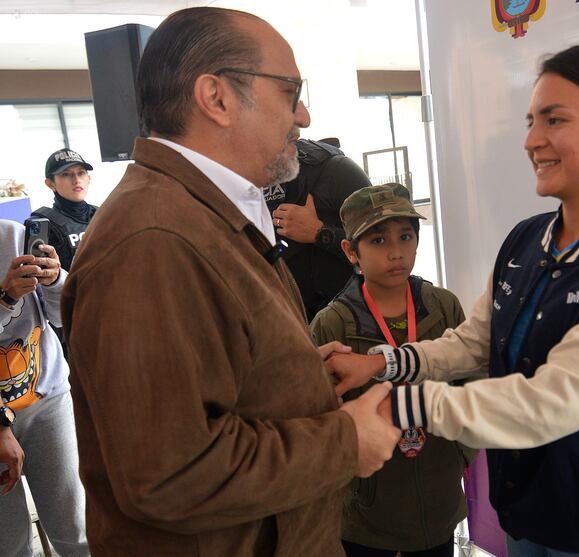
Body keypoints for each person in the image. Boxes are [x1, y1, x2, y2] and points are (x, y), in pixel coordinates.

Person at [327, 43, 579, 557]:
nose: (531, 140)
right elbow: (472, 344)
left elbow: (552, 400)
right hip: (526, 514)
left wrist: (399, 405)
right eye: (531, 121)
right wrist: (377, 363)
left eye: (554, 120)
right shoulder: (527, 240)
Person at [61, 7, 399, 556]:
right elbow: (168, 473)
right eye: (291, 91)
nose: (305, 116)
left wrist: (289, 374)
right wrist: (344, 442)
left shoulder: (200, 211)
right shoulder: (153, 240)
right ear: (215, 97)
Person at [310, 183, 477, 557]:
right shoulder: (333, 324)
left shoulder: (443, 306)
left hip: (438, 501)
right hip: (369, 516)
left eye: (405, 236)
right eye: (378, 241)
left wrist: (458, 455)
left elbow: (472, 380)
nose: (397, 252)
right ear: (351, 251)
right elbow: (319, 415)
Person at [0, 219, 89, 556]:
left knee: (74, 526)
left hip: (46, 399)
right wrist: (6, 297)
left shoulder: (14, 234)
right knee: (8, 542)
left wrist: (54, 281)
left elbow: (59, 316)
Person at [265, 138, 373, 321]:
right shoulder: (241, 179)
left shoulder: (337, 171)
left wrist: (320, 233)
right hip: (281, 321)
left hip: (346, 320)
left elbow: (382, 253)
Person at [32, 148, 98, 272]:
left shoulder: (103, 214)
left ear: (89, 179)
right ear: (50, 184)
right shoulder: (42, 225)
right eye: (66, 174)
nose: (76, 180)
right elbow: (37, 280)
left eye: (81, 173)